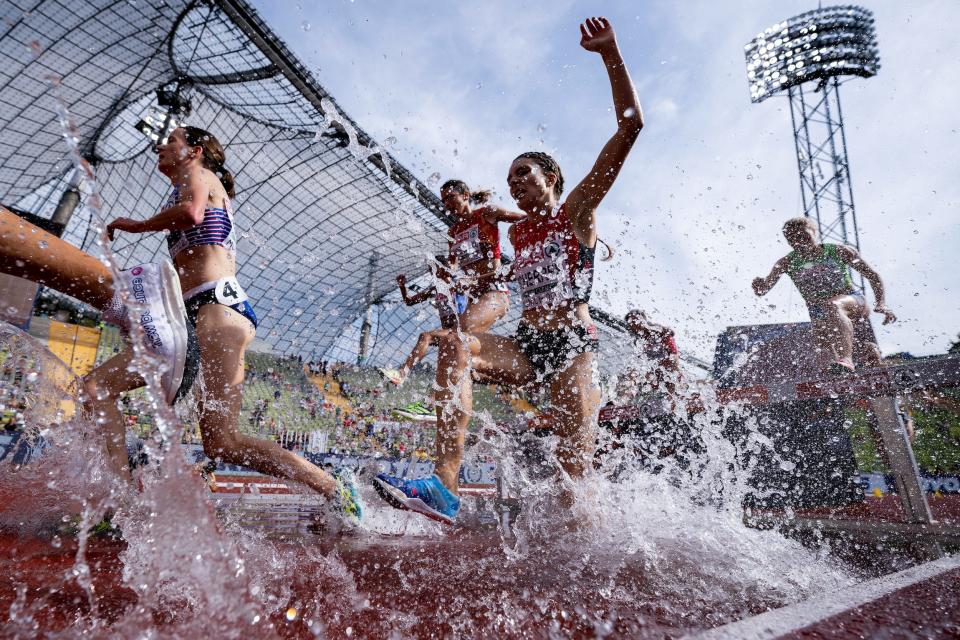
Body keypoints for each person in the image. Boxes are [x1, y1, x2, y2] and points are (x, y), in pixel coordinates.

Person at [373, 16, 643, 524]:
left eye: (524, 173)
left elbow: (631, 127)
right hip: (527, 346)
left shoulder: (577, 211)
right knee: (455, 344)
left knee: (572, 487)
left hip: (572, 351)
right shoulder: (518, 235)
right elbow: (498, 278)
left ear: (552, 177)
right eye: (509, 176)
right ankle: (443, 489)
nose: (514, 181)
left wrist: (609, 52)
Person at [98, 126, 361, 522]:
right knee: (218, 443)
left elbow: (192, 214)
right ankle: (120, 504)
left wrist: (134, 225)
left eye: (171, 141)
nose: (160, 146)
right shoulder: (192, 182)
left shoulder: (197, 174)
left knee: (224, 440)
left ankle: (335, 488)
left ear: (195, 151)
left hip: (217, 309)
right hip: (196, 315)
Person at [0, 207, 197, 406]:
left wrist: (139, 226)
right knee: (91, 393)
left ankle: (125, 294)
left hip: (212, 299)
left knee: (94, 391)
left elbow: (193, 213)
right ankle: (124, 294)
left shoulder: (200, 181)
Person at [752, 217, 896, 374]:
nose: (799, 242)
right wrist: (759, 286)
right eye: (792, 239)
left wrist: (881, 303)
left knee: (832, 305)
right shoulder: (786, 263)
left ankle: (846, 359)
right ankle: (844, 370)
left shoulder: (840, 251)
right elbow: (763, 290)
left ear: (815, 232)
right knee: (824, 353)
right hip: (819, 312)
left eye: (803, 236)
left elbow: (873, 276)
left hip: (853, 301)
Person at [441, 179, 526, 332]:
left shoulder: (487, 213)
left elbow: (527, 219)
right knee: (455, 339)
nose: (446, 204)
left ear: (465, 196)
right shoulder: (452, 232)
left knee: (463, 334)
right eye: (444, 200)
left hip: (494, 290)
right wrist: (444, 270)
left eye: (450, 197)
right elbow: (452, 264)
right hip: (473, 295)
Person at [378, 255, 464, 388]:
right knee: (444, 367)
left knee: (426, 336)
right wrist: (402, 286)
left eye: (433, 269)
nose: (431, 273)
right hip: (448, 336)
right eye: (430, 270)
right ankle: (431, 402)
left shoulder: (457, 285)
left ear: (443, 269)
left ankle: (401, 374)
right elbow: (409, 301)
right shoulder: (435, 289)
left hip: (460, 333)